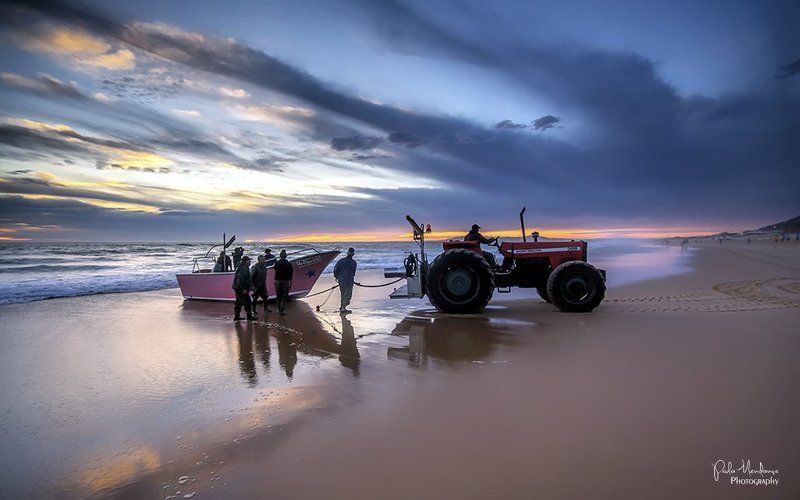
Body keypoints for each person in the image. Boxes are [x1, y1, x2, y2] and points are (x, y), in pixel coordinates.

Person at [232, 255, 257, 321]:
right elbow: (241, 279)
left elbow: (243, 279)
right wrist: (244, 289)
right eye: (249, 261)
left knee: (239, 302)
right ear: (246, 261)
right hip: (241, 288)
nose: (250, 262)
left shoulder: (241, 267)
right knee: (247, 302)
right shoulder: (244, 268)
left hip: (237, 287)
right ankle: (249, 317)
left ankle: (236, 316)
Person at [334, 247, 358, 313]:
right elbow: (353, 272)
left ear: (347, 253)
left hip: (341, 280)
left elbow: (336, 269)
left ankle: (342, 307)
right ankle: (343, 308)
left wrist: (336, 276)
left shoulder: (341, 260)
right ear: (353, 254)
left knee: (343, 294)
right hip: (349, 280)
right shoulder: (354, 262)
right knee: (348, 295)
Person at [273, 250, 293, 315]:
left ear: (280, 256)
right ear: (286, 256)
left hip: (277, 281)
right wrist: (290, 282)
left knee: (278, 296)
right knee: (284, 296)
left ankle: (278, 309)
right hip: (285, 281)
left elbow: (275, 269)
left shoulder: (276, 263)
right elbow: (291, 274)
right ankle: (282, 310)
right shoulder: (288, 264)